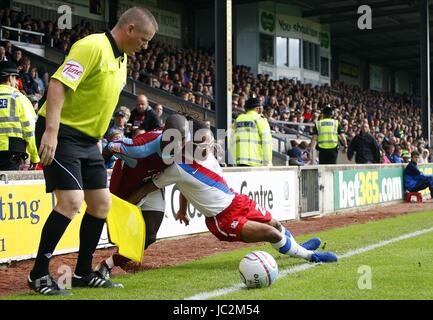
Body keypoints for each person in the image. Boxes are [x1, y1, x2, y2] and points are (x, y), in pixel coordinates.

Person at [28, 6, 158, 296]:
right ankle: (38, 274)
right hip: (62, 132)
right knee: (71, 201)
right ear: (130, 30)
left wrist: (100, 139)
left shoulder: (122, 59)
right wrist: (51, 132)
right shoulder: (92, 46)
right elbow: (58, 84)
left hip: (89, 141)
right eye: (145, 39)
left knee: (101, 204)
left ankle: (84, 272)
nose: (145, 46)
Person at [126, 126, 338, 268]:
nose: (209, 147)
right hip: (222, 219)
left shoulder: (207, 155)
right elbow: (146, 189)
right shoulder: (177, 168)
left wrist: (182, 209)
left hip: (237, 201)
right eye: (205, 143)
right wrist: (122, 205)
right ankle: (311, 257)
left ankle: (299, 248)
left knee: (275, 222)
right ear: (192, 143)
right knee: (270, 233)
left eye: (210, 142)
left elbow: (187, 186)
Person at [95, 114, 189, 280]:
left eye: (183, 138)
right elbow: (110, 146)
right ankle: (84, 270)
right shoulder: (140, 147)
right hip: (126, 184)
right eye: (176, 139)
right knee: (111, 230)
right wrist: (97, 180)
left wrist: (183, 209)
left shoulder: (186, 146)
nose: (181, 144)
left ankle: (107, 264)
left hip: (151, 184)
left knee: (150, 235)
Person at [0, 61, 40, 170]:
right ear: (10, 78)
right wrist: (34, 156)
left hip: (11, 150)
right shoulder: (20, 98)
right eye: (15, 78)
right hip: (12, 151)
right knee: (6, 186)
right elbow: (30, 130)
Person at [232, 96, 272, 167]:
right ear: (258, 109)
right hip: (255, 163)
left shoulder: (238, 120)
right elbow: (267, 142)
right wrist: (268, 161)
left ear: (245, 108)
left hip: (239, 161)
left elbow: (231, 140)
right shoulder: (260, 120)